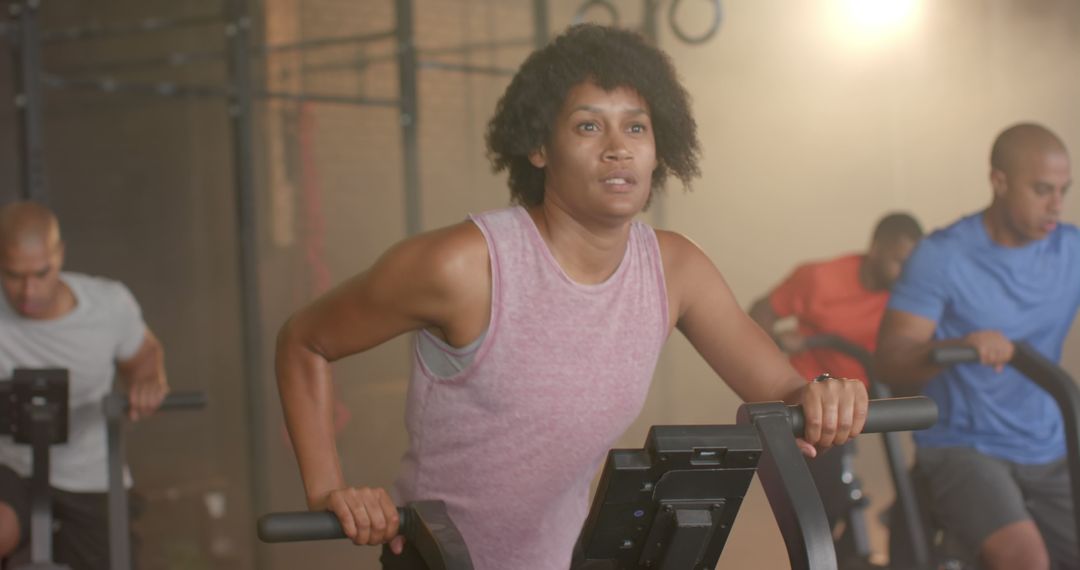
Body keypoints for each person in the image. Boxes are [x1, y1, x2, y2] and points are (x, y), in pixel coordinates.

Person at [276, 24, 869, 570]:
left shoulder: (675, 268)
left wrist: (826, 396)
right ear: (539, 147)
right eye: (589, 126)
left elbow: (784, 392)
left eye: (636, 127)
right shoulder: (464, 266)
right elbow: (304, 341)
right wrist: (329, 489)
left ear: (659, 148)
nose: (618, 148)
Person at [877, 123, 1079, 570]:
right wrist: (959, 343)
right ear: (999, 181)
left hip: (1049, 444)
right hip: (964, 446)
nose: (1056, 206)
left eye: (1064, 190)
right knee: (1026, 560)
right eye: (1042, 190)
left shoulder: (1070, 251)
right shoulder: (942, 255)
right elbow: (890, 362)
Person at [0, 201, 169, 569]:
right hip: (8, 467)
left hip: (88, 474)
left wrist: (148, 380)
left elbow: (143, 356)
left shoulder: (108, 305)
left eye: (41, 273)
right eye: (13, 275)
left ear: (59, 255)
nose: (28, 291)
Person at [749, 212, 923, 383]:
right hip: (809, 390)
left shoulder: (907, 294)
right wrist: (775, 349)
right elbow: (762, 311)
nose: (908, 273)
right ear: (875, 250)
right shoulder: (820, 279)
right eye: (900, 262)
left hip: (866, 394)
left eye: (914, 265)